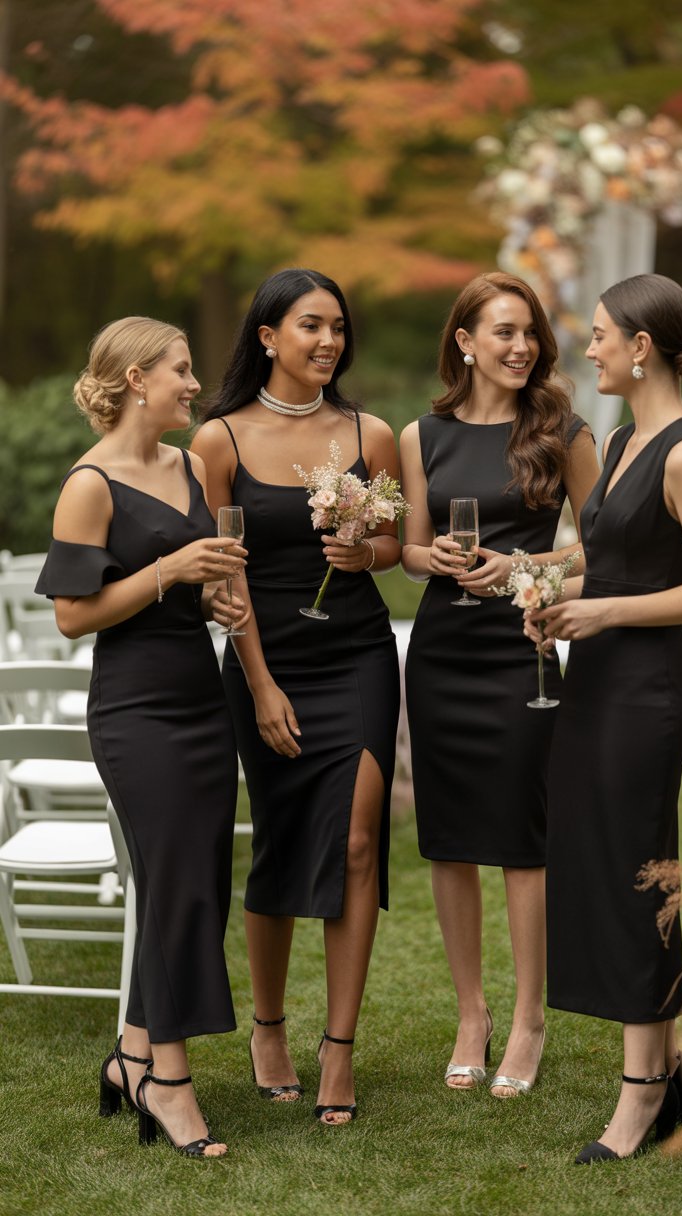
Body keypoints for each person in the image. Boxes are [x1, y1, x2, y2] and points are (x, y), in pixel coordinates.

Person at [528, 273, 682, 1162]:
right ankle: (664, 1072)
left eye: (602, 334)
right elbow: (609, 568)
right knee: (607, 871)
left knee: (634, 879)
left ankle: (643, 1092)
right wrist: (540, 585)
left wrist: (603, 614)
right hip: (596, 686)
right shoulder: (617, 442)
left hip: (649, 693)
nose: (589, 348)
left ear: (641, 346)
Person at [191, 268, 400, 1126]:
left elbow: (393, 544)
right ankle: (269, 1029)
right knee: (280, 843)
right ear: (268, 336)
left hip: (357, 653)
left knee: (356, 841)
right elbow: (220, 582)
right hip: (262, 663)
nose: (328, 342)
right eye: (311, 326)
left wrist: (366, 555)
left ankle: (339, 1048)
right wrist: (262, 681)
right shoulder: (217, 442)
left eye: (339, 329)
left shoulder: (369, 432)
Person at [35, 317, 249, 1158]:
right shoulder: (89, 484)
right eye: (182, 370)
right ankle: (170, 1083)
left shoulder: (190, 465)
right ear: (134, 379)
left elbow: (192, 587)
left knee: (194, 880)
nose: (195, 385)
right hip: (134, 710)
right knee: (174, 884)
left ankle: (130, 1057)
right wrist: (169, 572)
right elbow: (70, 616)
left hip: (202, 699)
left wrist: (211, 599)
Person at [400, 271, 598, 1098]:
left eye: (530, 334)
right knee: (449, 839)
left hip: (524, 649)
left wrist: (526, 566)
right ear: (465, 342)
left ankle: (528, 1019)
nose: (521, 347)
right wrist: (433, 557)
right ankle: (471, 1013)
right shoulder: (421, 437)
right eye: (504, 332)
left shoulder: (564, 432)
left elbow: (599, 548)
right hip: (443, 650)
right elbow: (409, 550)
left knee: (521, 839)